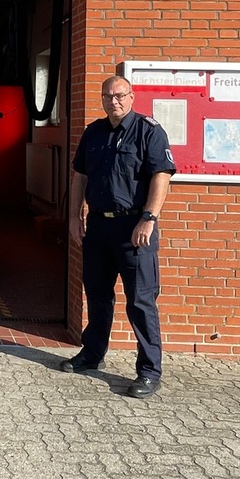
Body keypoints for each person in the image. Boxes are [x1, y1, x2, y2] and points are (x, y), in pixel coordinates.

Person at [65, 75, 175, 398]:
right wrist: (74, 215)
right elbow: (80, 177)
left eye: (119, 95)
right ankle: (92, 354)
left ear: (131, 96)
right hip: (98, 227)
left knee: (141, 301)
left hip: (134, 230)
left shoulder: (149, 132)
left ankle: (149, 370)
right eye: (108, 96)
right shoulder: (93, 133)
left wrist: (149, 218)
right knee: (98, 295)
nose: (113, 101)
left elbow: (161, 176)